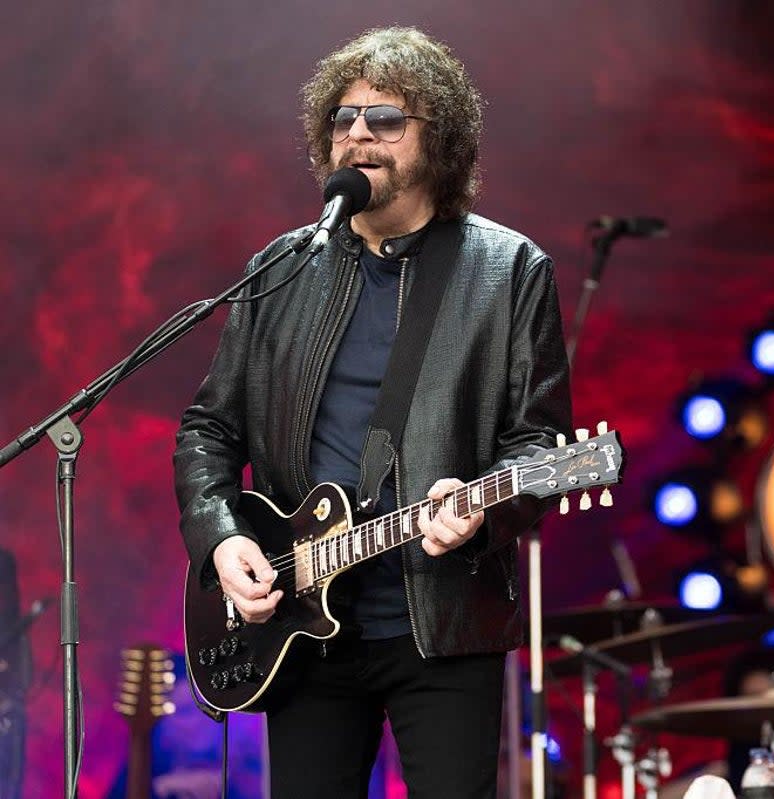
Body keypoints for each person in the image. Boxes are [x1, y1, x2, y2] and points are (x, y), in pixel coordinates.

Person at [173, 26, 571, 799]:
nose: (358, 134)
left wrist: (484, 513)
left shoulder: (508, 270)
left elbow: (538, 442)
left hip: (443, 624)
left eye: (385, 119)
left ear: (440, 139)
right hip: (299, 628)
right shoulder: (283, 269)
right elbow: (208, 432)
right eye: (343, 118)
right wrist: (221, 541)